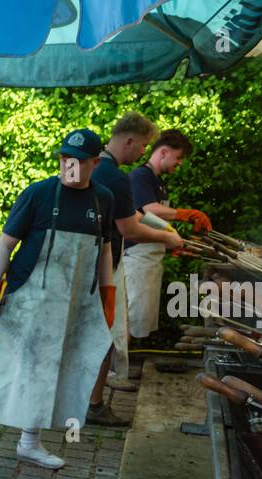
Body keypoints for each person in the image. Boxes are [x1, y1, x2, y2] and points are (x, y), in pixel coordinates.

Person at [0, 129, 116, 477]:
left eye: (77, 161)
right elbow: (5, 246)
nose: (69, 166)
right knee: (6, 369)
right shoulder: (38, 194)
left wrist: (107, 296)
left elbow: (106, 250)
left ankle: (29, 443)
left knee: (53, 372)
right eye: (64, 159)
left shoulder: (103, 200)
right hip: (26, 301)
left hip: (73, 306)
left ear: (95, 163)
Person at [85, 113, 185, 426]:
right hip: (104, 265)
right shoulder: (117, 176)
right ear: (129, 141)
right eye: (142, 145)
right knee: (107, 335)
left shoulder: (92, 167)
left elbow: (135, 217)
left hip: (82, 263)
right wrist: (168, 237)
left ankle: (74, 401)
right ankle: (94, 404)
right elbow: (130, 228)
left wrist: (167, 231)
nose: (143, 152)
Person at [123, 130, 210, 355]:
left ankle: (117, 369)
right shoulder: (140, 176)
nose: (179, 163)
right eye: (178, 158)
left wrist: (173, 241)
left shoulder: (158, 182)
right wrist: (187, 214)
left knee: (137, 315)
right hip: (136, 256)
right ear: (163, 152)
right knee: (129, 315)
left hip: (150, 254)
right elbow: (148, 209)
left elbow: (150, 219)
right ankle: (114, 371)